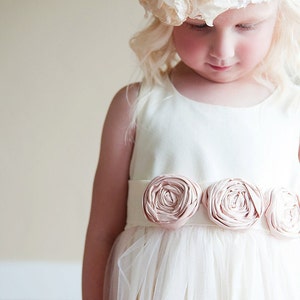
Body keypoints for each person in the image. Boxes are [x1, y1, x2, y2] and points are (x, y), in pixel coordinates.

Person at [82, 0, 300, 299]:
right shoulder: (138, 105)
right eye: (199, 26)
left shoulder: (292, 111)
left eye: (245, 26)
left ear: (279, 18)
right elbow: (102, 233)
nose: (222, 50)